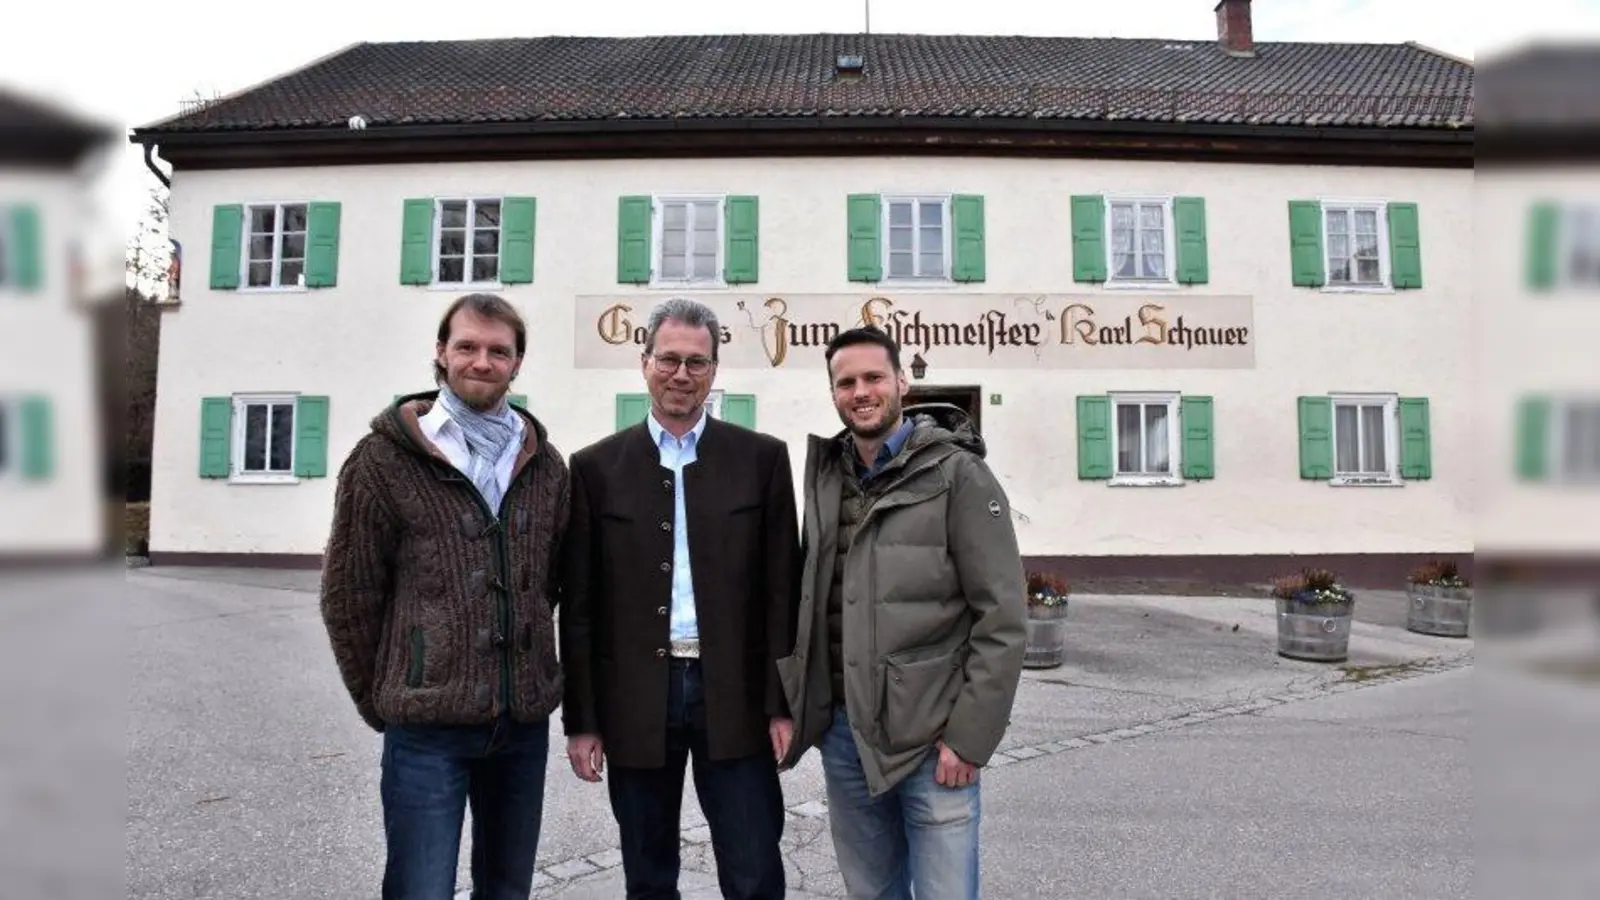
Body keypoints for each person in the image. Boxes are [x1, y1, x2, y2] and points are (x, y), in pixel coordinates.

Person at [319, 292, 570, 900]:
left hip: (520, 726)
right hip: (426, 729)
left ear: (517, 363)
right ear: (441, 353)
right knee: (420, 888)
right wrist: (389, 694)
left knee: (508, 888)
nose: (481, 361)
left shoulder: (544, 465)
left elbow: (552, 584)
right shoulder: (381, 460)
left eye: (498, 351)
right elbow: (350, 594)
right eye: (467, 346)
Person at [559, 297, 800, 900]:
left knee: (753, 869)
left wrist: (782, 702)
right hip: (636, 697)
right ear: (644, 363)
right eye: (668, 359)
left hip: (736, 695)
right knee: (647, 871)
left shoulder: (761, 459)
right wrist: (582, 721)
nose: (681, 374)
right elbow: (581, 607)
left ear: (715, 370)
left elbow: (781, 591)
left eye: (697, 362)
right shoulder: (594, 468)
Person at [774, 325, 1027, 900]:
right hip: (845, 736)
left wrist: (970, 738)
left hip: (933, 740)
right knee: (871, 893)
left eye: (873, 378)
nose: (860, 391)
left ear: (901, 382)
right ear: (833, 392)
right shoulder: (827, 472)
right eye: (846, 382)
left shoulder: (958, 474)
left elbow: (1003, 618)